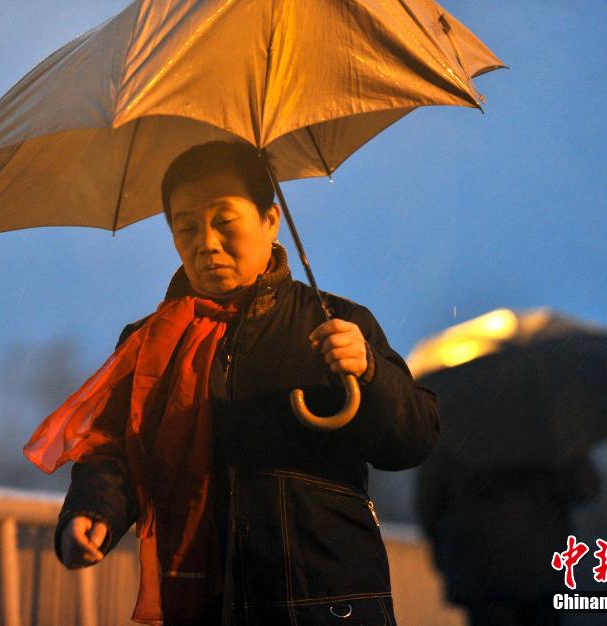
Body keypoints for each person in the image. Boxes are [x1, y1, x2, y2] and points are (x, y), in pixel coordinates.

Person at [25, 141, 440, 625]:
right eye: (186, 228)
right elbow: (117, 448)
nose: (207, 242)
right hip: (208, 610)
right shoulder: (148, 342)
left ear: (270, 219)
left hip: (325, 608)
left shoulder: (337, 324)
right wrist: (94, 510)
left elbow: (413, 440)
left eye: (225, 221)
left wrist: (368, 371)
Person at [417, 450, 601, 626]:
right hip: (542, 567)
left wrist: (443, 553)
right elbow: (585, 488)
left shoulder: (456, 437)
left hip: (480, 570)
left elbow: (430, 503)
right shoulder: (547, 437)